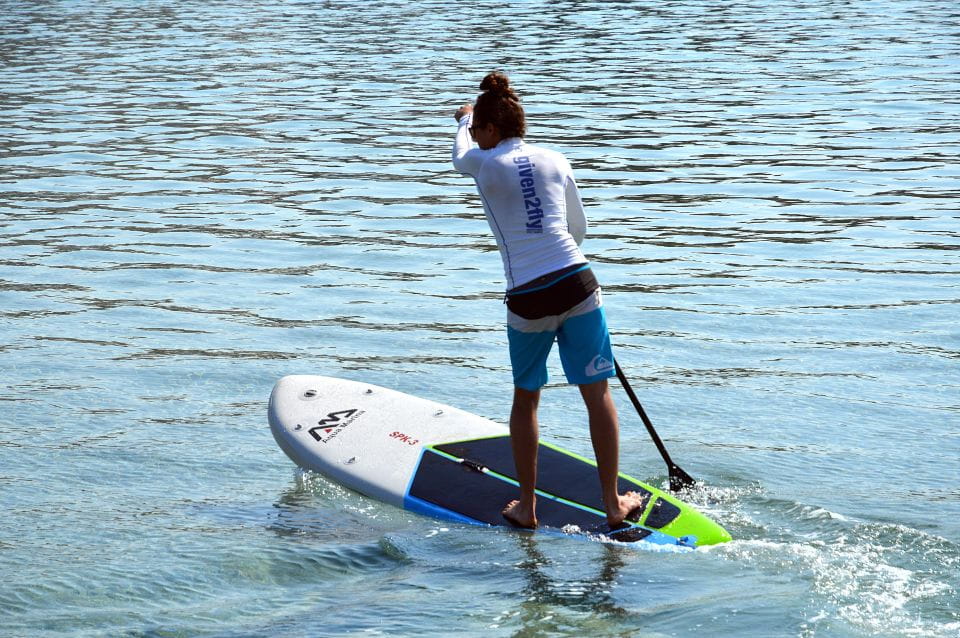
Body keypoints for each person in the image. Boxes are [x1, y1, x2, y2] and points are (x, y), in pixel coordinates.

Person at [451, 72, 644, 530]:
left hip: (528, 295)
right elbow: (578, 229)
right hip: (578, 281)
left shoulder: (484, 163)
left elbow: (459, 156)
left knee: (527, 398)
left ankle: (527, 507)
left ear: (491, 130)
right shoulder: (556, 158)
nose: (475, 136)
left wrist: (460, 121)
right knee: (598, 394)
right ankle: (613, 504)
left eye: (478, 129)